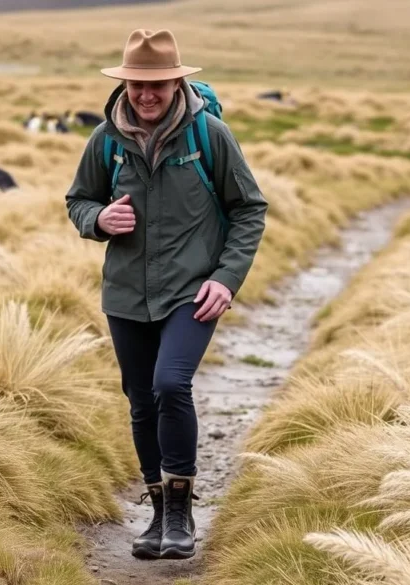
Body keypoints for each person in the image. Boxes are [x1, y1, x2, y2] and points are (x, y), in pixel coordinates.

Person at [65, 29, 268, 560]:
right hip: (127, 293)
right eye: (137, 85)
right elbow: (79, 199)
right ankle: (156, 514)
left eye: (157, 84)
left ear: (177, 81)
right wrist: (98, 220)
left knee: (169, 384)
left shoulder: (208, 134)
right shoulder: (106, 139)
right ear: (125, 83)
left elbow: (249, 208)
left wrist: (225, 279)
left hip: (191, 289)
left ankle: (181, 514)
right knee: (139, 401)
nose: (147, 95)